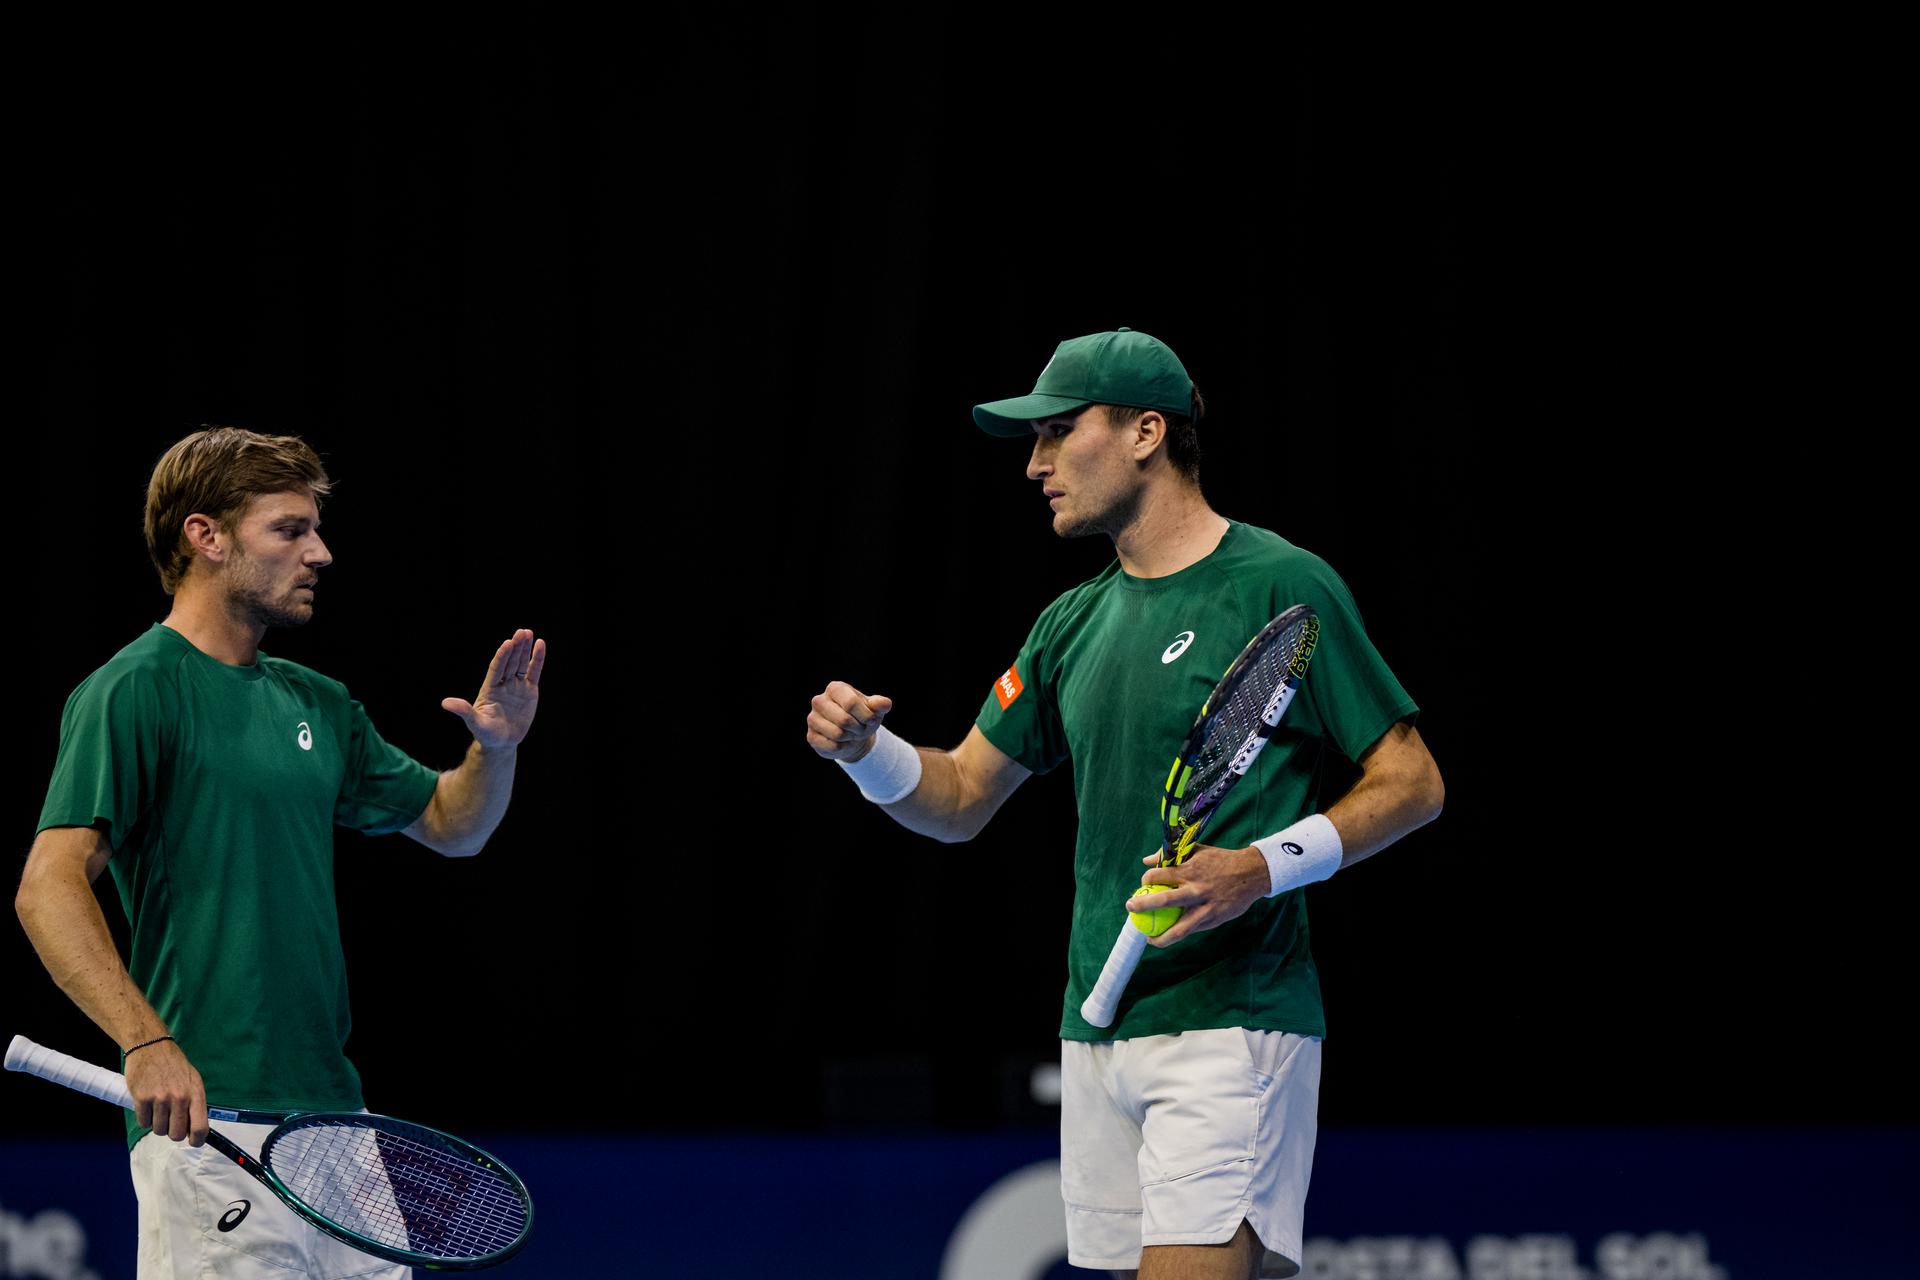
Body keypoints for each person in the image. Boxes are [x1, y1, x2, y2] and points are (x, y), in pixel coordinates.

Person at [807, 329, 1443, 1280]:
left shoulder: (1285, 585)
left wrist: (1260, 868)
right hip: (1097, 1035)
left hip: (1232, 1022)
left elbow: (1414, 783)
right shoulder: (1069, 624)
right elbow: (962, 798)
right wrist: (871, 754)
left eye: (1061, 432)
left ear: (1148, 431)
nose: (1035, 463)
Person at [14, 427, 547, 1280]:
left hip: (341, 1124)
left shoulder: (320, 703)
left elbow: (455, 825)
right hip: (209, 1121)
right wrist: (145, 1043)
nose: (320, 552)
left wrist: (499, 747)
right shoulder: (134, 688)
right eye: (289, 529)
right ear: (206, 536)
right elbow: (47, 888)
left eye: (315, 528)